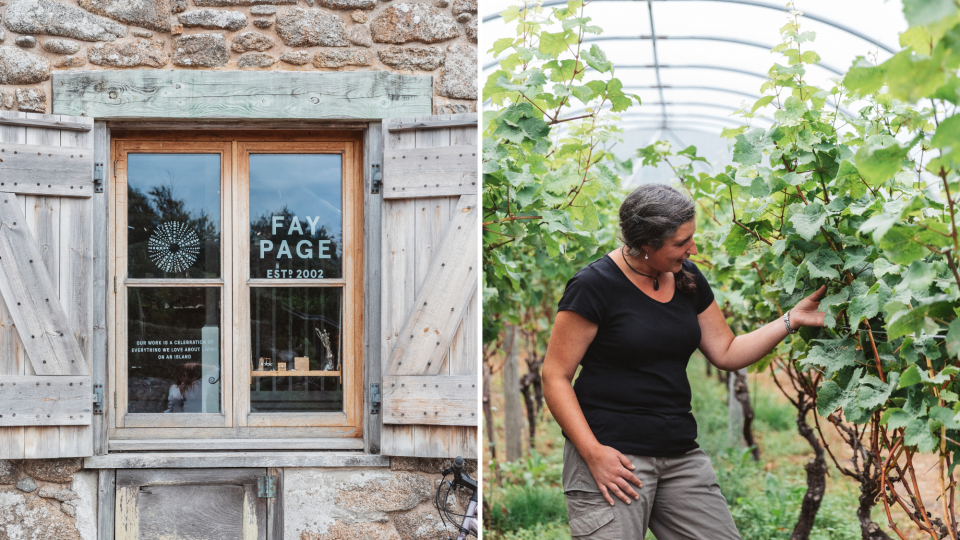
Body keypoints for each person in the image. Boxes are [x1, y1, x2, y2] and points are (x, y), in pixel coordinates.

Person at [541, 183, 826, 539]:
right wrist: (593, 453)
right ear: (646, 244)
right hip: (614, 458)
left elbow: (726, 351)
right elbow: (554, 376)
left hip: (680, 454)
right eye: (680, 243)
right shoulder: (594, 285)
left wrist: (791, 320)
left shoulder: (687, 277)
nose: (692, 249)